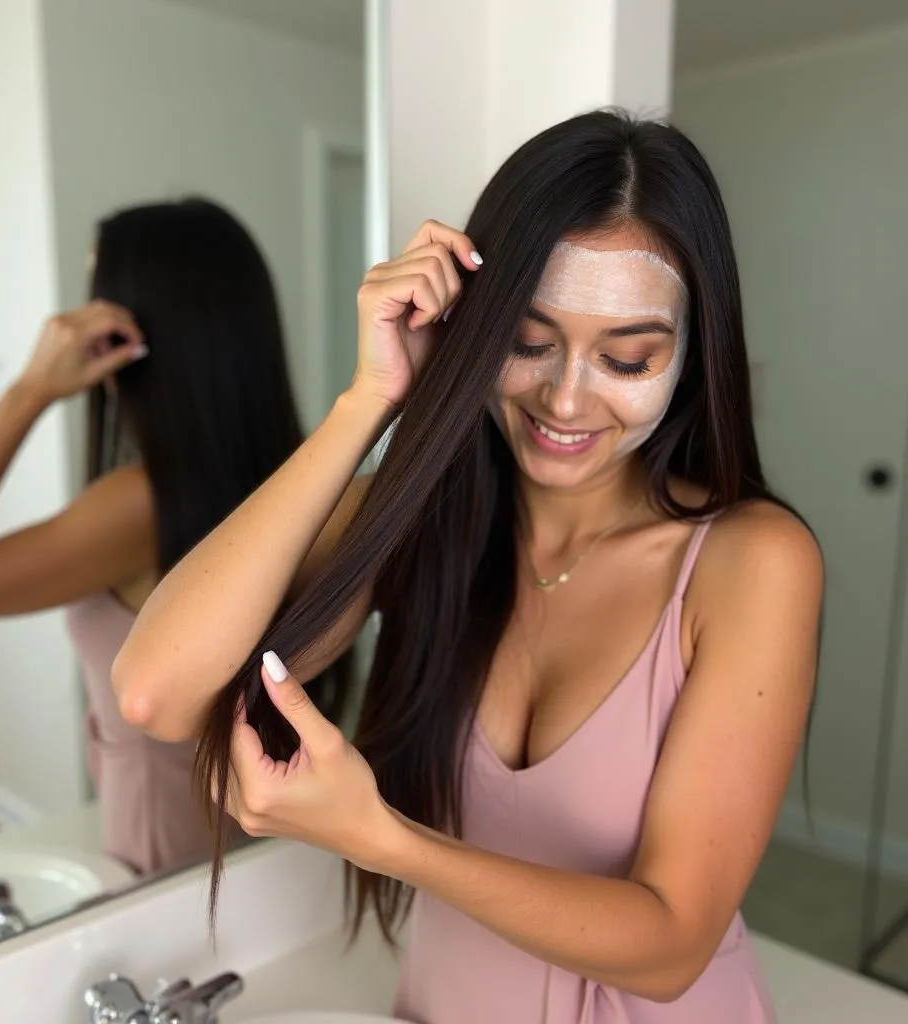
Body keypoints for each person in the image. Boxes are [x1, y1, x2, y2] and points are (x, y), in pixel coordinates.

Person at [113, 113, 823, 1021]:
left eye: (627, 356)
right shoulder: (420, 521)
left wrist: (385, 841)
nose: (565, 398)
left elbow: (673, 943)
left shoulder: (750, 563)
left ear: (688, 357)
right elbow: (155, 692)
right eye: (525, 342)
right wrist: (371, 399)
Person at [0, 197, 348, 877]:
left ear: (137, 336)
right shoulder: (301, 487)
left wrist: (30, 390)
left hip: (164, 852)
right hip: (257, 847)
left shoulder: (140, 507)